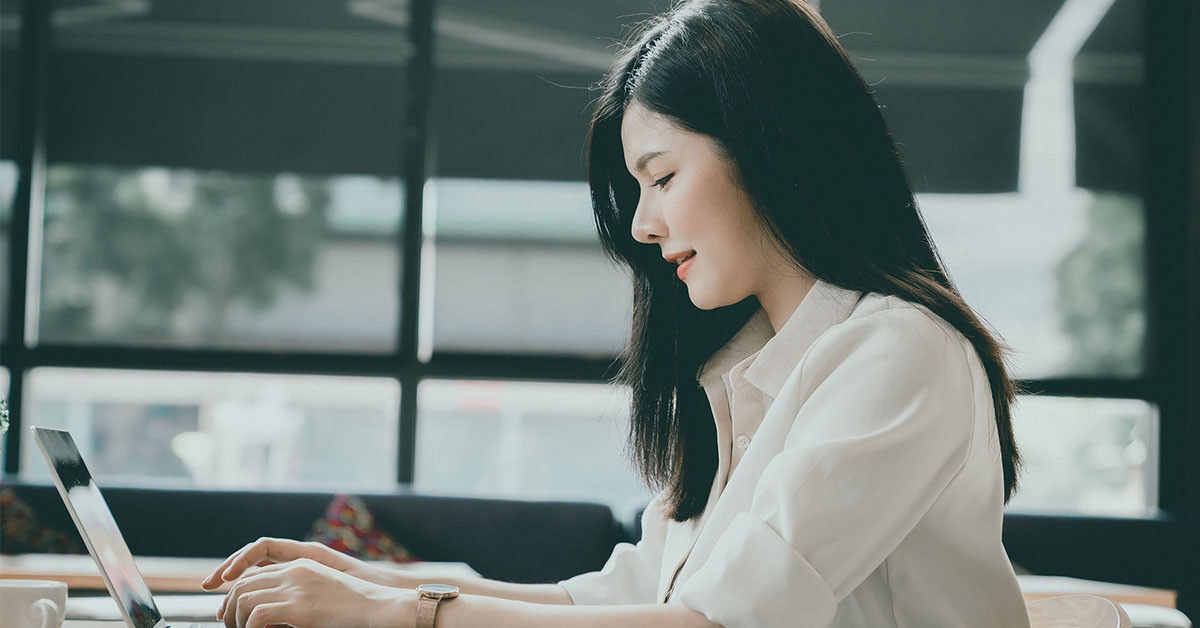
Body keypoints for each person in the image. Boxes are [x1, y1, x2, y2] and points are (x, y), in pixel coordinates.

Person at [202, 0, 1031, 626]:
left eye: (662, 177)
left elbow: (714, 625)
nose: (642, 225)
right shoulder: (741, 371)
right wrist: (367, 581)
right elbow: (621, 598)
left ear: (768, 148)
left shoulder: (900, 354)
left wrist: (407, 615)